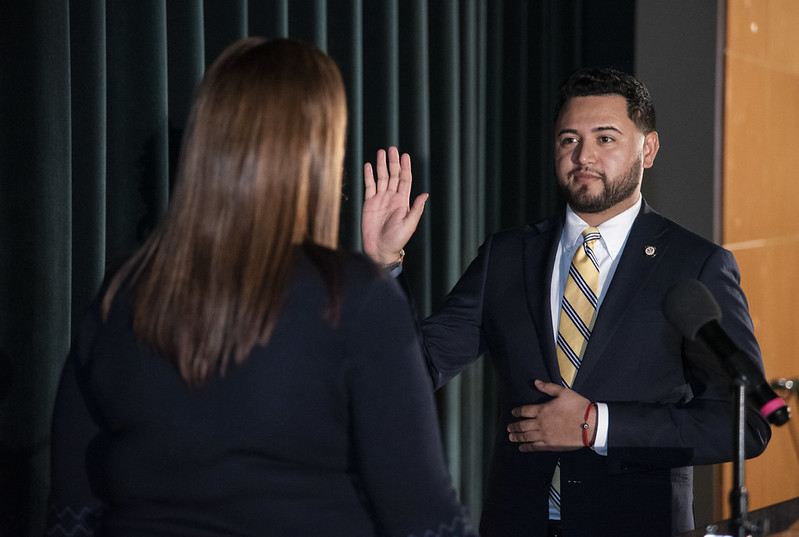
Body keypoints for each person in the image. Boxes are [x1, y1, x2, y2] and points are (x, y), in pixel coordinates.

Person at [46, 37, 476, 537]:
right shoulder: (355, 302)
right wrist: (373, 278)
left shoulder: (122, 294)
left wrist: (375, 267)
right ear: (316, 157)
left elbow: (72, 512)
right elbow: (425, 517)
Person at [362, 67, 772, 537]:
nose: (583, 156)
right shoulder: (507, 256)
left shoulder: (695, 264)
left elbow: (745, 423)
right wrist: (384, 263)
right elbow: (409, 372)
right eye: (569, 139)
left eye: (605, 138)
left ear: (648, 149)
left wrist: (597, 424)